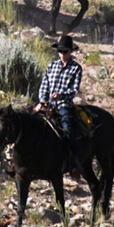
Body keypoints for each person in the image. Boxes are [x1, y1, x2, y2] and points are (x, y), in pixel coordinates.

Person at [33, 35, 85, 173]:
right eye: (60, 51)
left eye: (65, 51)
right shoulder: (52, 66)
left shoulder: (76, 68)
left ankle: (73, 160)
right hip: (48, 103)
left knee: (68, 127)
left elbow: (74, 90)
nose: (62, 54)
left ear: (71, 52)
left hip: (63, 104)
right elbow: (44, 85)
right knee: (30, 124)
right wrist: (42, 100)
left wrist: (61, 95)